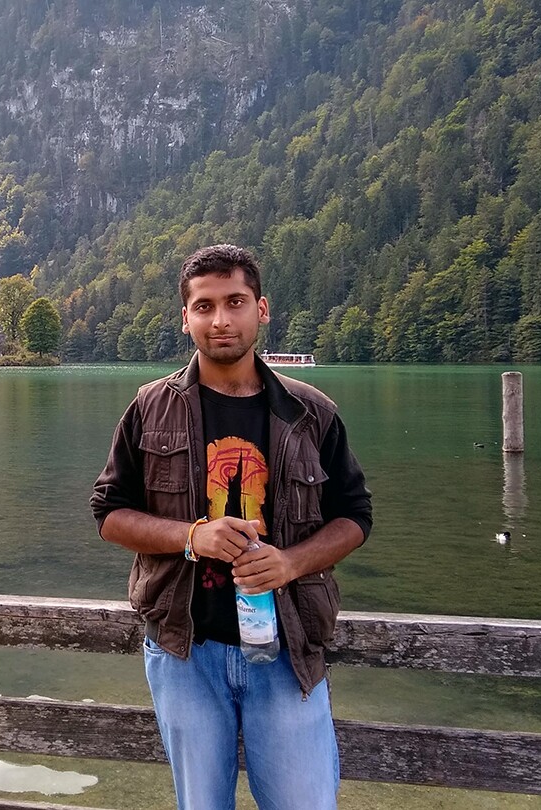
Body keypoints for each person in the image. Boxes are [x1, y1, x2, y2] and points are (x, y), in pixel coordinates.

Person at [91, 244, 372, 809]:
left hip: (291, 648)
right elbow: (109, 513)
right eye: (205, 306)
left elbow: (355, 517)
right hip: (185, 652)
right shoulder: (151, 408)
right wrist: (191, 536)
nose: (220, 319)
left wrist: (290, 562)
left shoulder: (311, 412)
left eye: (235, 302)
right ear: (186, 317)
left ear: (261, 310)